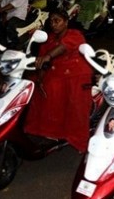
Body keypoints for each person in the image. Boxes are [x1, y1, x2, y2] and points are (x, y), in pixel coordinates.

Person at [24, 8, 93, 153]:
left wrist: (48, 56)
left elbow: (62, 48)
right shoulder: (49, 38)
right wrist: (40, 79)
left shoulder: (75, 34)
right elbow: (43, 61)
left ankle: (70, 136)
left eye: (58, 21)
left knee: (62, 95)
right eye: (52, 21)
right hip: (56, 71)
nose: (54, 24)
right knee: (34, 87)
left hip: (76, 73)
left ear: (66, 22)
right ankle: (45, 131)